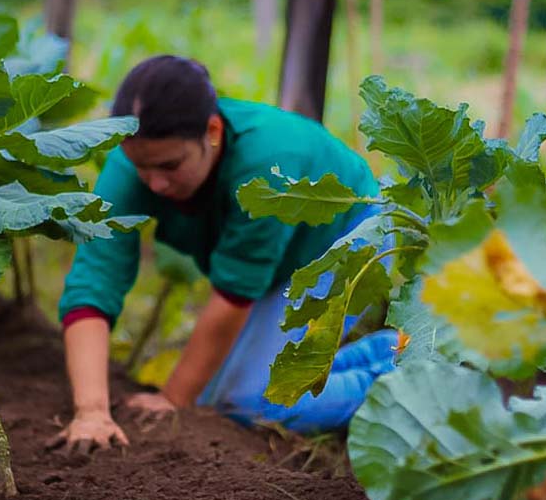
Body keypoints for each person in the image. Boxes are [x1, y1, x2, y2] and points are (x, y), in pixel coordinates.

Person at [48, 55, 398, 452]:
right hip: (279, 263)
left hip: (349, 240)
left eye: (170, 166)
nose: (155, 183)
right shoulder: (133, 166)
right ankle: (385, 351)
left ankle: (407, 371)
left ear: (212, 131)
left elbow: (234, 295)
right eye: (141, 167)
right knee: (216, 397)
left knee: (249, 402)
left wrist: (173, 398)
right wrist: (91, 411)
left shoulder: (264, 164)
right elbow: (94, 281)